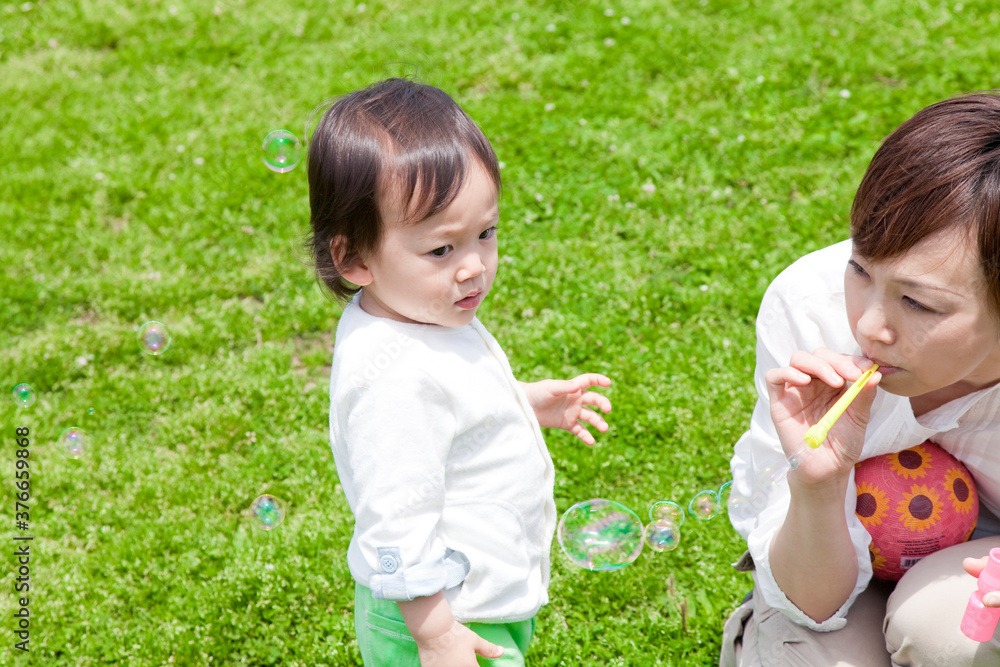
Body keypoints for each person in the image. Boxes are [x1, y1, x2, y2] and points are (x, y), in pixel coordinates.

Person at [306, 78, 613, 667]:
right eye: (442, 250)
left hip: (472, 602)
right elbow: (395, 520)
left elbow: (444, 410)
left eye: (485, 234)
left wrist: (520, 401)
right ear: (354, 258)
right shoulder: (392, 378)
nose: (474, 267)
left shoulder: (414, 310)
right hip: (439, 615)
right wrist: (437, 635)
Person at [721, 91, 1000, 666]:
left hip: (979, 562)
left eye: (919, 303)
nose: (870, 326)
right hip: (842, 572)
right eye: (860, 268)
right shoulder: (812, 308)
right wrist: (818, 486)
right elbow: (813, 602)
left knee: (945, 635)